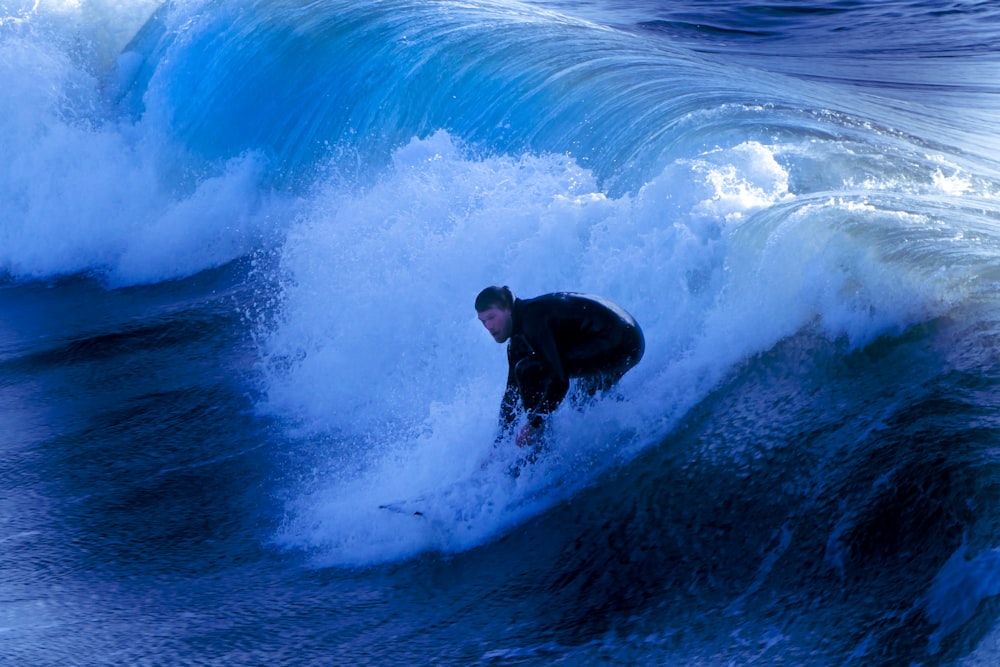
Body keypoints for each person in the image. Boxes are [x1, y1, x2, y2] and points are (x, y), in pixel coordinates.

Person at [475, 285, 644, 448]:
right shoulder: (517, 342)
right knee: (581, 401)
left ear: (508, 309)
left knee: (527, 370)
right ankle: (638, 416)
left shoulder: (533, 318)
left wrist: (533, 425)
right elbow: (511, 392)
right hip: (626, 343)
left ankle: (540, 445)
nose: (488, 327)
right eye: (483, 321)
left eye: (491, 317)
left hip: (621, 341)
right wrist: (497, 447)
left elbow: (560, 381)